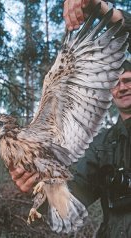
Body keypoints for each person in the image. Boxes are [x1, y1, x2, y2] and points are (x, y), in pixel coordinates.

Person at [9, 1, 131, 237]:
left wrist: (103, 10)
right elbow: (74, 193)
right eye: (115, 82)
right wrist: (41, 188)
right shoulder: (104, 145)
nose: (122, 87)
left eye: (128, 79)